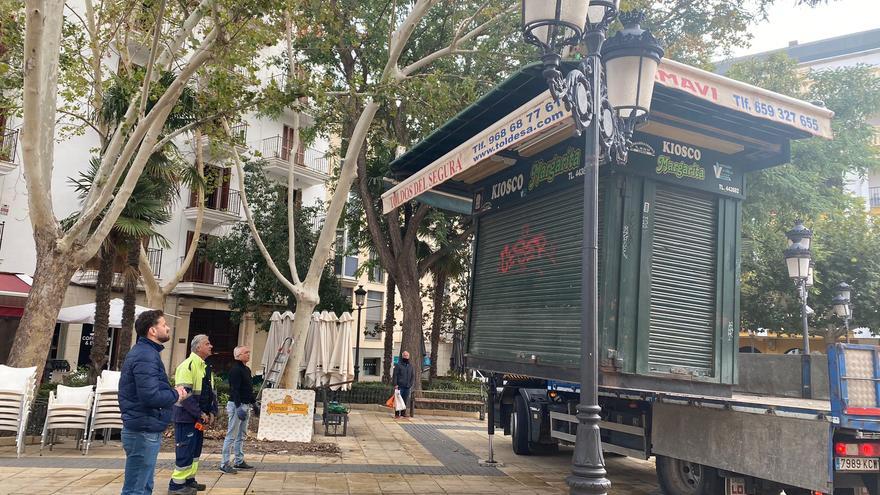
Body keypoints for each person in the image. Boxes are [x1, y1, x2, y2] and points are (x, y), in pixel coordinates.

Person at [119, 310, 189, 495]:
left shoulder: (147, 353)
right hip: (143, 429)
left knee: (143, 486)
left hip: (145, 427)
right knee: (136, 489)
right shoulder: (145, 355)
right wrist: (176, 395)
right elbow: (150, 396)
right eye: (164, 325)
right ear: (152, 330)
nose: (168, 328)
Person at [169, 334, 218, 494]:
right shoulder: (187, 365)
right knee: (184, 450)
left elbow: (211, 393)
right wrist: (200, 414)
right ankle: (176, 486)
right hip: (186, 417)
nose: (211, 346)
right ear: (198, 347)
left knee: (195, 451)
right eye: (207, 343)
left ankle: (189, 480)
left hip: (198, 417)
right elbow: (185, 395)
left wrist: (212, 411)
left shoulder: (205, 367)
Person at [219, 346, 256, 474]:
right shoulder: (235, 370)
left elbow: (248, 389)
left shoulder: (246, 369)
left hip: (245, 405)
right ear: (238, 355)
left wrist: (254, 402)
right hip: (237, 405)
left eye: (248, 352)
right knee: (232, 435)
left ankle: (239, 461)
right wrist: (238, 406)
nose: (248, 354)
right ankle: (224, 463)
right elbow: (234, 389)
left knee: (242, 434)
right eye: (246, 352)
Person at [392, 350, 417, 418]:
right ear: (402, 356)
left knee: (405, 400)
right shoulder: (398, 365)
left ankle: (403, 413)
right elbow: (395, 375)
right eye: (404, 355)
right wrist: (395, 384)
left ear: (409, 356)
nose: (406, 357)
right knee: (398, 400)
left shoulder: (411, 366)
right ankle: (397, 414)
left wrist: (410, 384)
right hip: (399, 386)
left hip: (407, 386)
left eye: (407, 355)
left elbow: (412, 376)